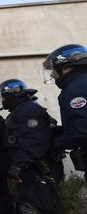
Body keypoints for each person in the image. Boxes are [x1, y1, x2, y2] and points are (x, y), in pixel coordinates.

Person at [0, 79, 59, 214]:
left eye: (3, 97)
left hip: (35, 168)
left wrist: (19, 164)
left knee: (35, 207)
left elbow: (36, 140)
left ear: (11, 94)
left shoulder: (28, 109)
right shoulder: (20, 110)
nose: (2, 100)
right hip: (29, 168)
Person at [43, 44, 87, 179]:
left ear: (66, 67)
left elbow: (83, 128)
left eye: (53, 69)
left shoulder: (76, 87)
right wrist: (62, 130)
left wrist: (54, 144)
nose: (51, 74)